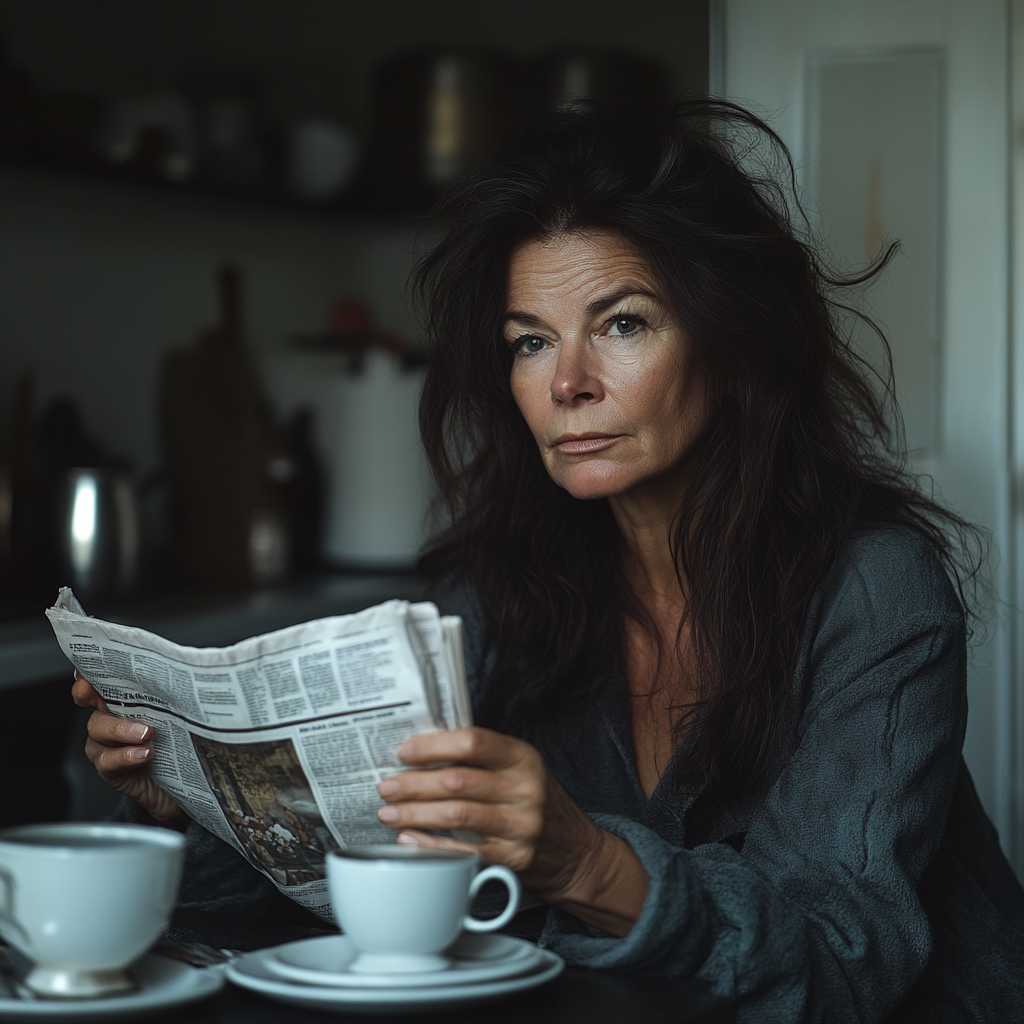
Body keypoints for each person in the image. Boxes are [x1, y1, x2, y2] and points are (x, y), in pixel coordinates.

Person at [73, 101, 1024, 1021]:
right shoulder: (497, 593)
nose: (567, 383)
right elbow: (341, 903)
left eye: (623, 324)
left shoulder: (875, 590)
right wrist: (187, 808)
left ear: (732, 343)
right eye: (531, 342)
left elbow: (845, 964)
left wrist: (589, 866)